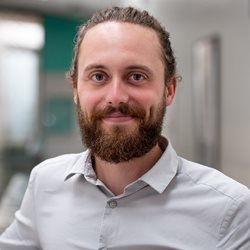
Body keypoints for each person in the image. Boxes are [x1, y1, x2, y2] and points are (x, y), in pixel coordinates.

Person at [0, 6, 250, 250]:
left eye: (137, 76)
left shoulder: (230, 211)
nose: (116, 97)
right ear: (76, 89)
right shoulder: (45, 182)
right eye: (98, 76)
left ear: (169, 90)